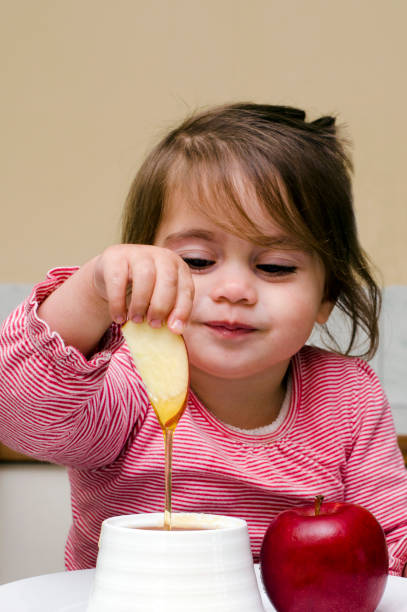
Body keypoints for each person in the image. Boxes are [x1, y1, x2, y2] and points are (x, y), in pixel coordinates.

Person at [1, 103, 406, 576]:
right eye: (195, 261)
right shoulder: (127, 382)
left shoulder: (347, 397)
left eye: (274, 267)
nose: (233, 291)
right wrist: (91, 291)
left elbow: (391, 539)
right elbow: (19, 416)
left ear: (326, 296)